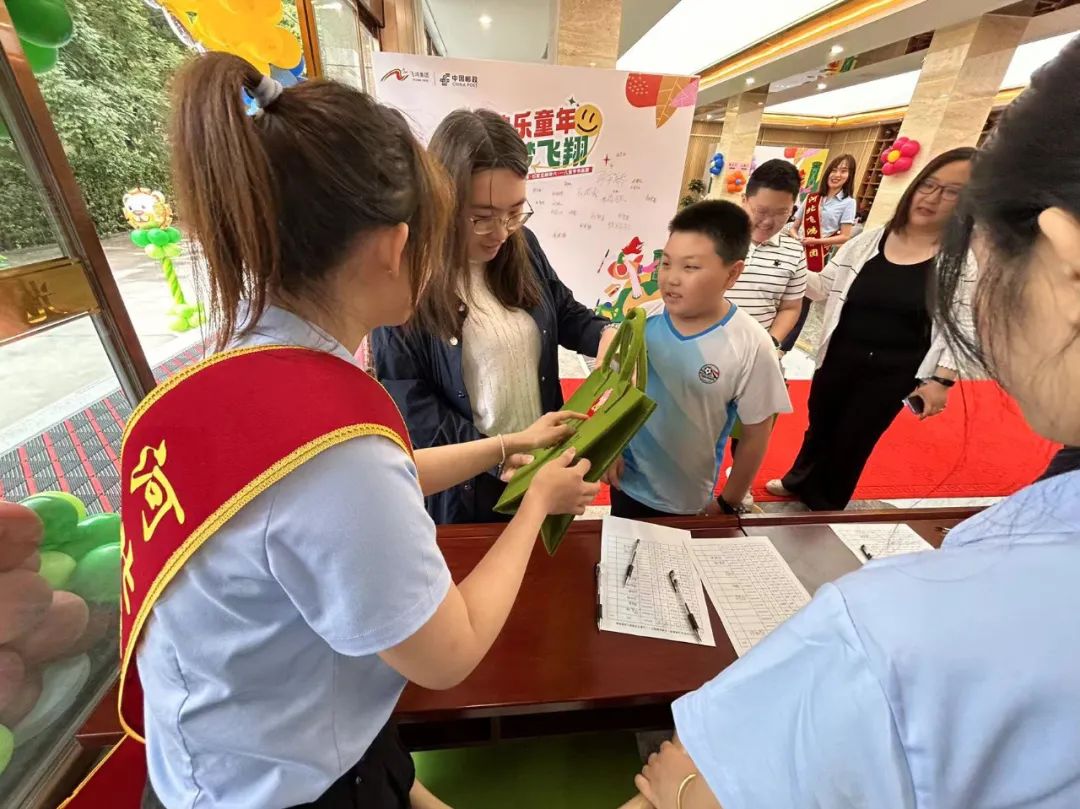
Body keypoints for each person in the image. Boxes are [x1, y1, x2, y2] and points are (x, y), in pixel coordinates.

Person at [132, 54, 600, 809]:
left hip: (223, 757)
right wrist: (539, 502)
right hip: (292, 787)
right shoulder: (340, 446)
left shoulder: (215, 378)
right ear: (394, 246)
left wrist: (504, 446)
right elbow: (447, 654)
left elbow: (346, 491)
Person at [630, 34, 1080, 808]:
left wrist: (683, 793)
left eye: (983, 256)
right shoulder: (650, 325)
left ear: (1066, 259)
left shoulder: (896, 629)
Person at [372, 109, 610, 525]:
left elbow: (563, 311)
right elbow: (410, 402)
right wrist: (497, 452)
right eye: (480, 217)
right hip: (470, 484)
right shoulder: (408, 277)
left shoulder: (523, 246)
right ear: (442, 200)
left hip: (543, 466)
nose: (500, 232)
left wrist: (605, 334)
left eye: (514, 212)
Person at [767, 147, 976, 511]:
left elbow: (963, 325)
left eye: (951, 192)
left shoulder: (960, 261)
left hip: (896, 369)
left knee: (856, 435)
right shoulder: (871, 241)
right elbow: (823, 286)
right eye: (928, 185)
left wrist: (941, 381)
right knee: (820, 422)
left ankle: (826, 500)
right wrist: (786, 266)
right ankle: (798, 479)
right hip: (839, 354)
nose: (932, 198)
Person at [603, 200, 791, 518]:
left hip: (688, 499)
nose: (671, 278)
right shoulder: (641, 321)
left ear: (732, 274)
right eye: (666, 263)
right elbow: (613, 392)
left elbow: (756, 434)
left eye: (690, 267)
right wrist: (610, 447)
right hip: (626, 484)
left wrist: (729, 501)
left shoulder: (751, 344)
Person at [781, 153, 859, 352]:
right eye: (834, 169)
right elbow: (794, 226)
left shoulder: (848, 203)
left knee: (802, 303)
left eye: (843, 171)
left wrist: (816, 241)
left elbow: (845, 236)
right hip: (797, 253)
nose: (837, 174)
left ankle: (783, 348)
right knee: (783, 296)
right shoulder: (812, 198)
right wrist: (796, 237)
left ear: (849, 176)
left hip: (818, 258)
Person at [726, 159, 807, 349]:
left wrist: (770, 343)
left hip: (755, 350)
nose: (768, 221)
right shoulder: (716, 239)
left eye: (782, 213)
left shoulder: (794, 252)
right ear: (744, 201)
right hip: (702, 346)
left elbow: (790, 307)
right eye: (761, 211)